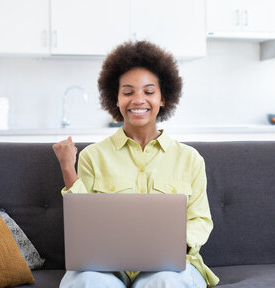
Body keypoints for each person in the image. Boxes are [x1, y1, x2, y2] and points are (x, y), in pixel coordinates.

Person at [53, 40, 219, 288]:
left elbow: (201, 220)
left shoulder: (190, 158)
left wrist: (173, 245)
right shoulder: (93, 156)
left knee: (165, 282)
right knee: (85, 281)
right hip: (107, 268)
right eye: (128, 92)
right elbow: (83, 226)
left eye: (149, 92)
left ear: (163, 99)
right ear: (116, 100)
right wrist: (67, 167)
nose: (138, 100)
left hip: (169, 267)